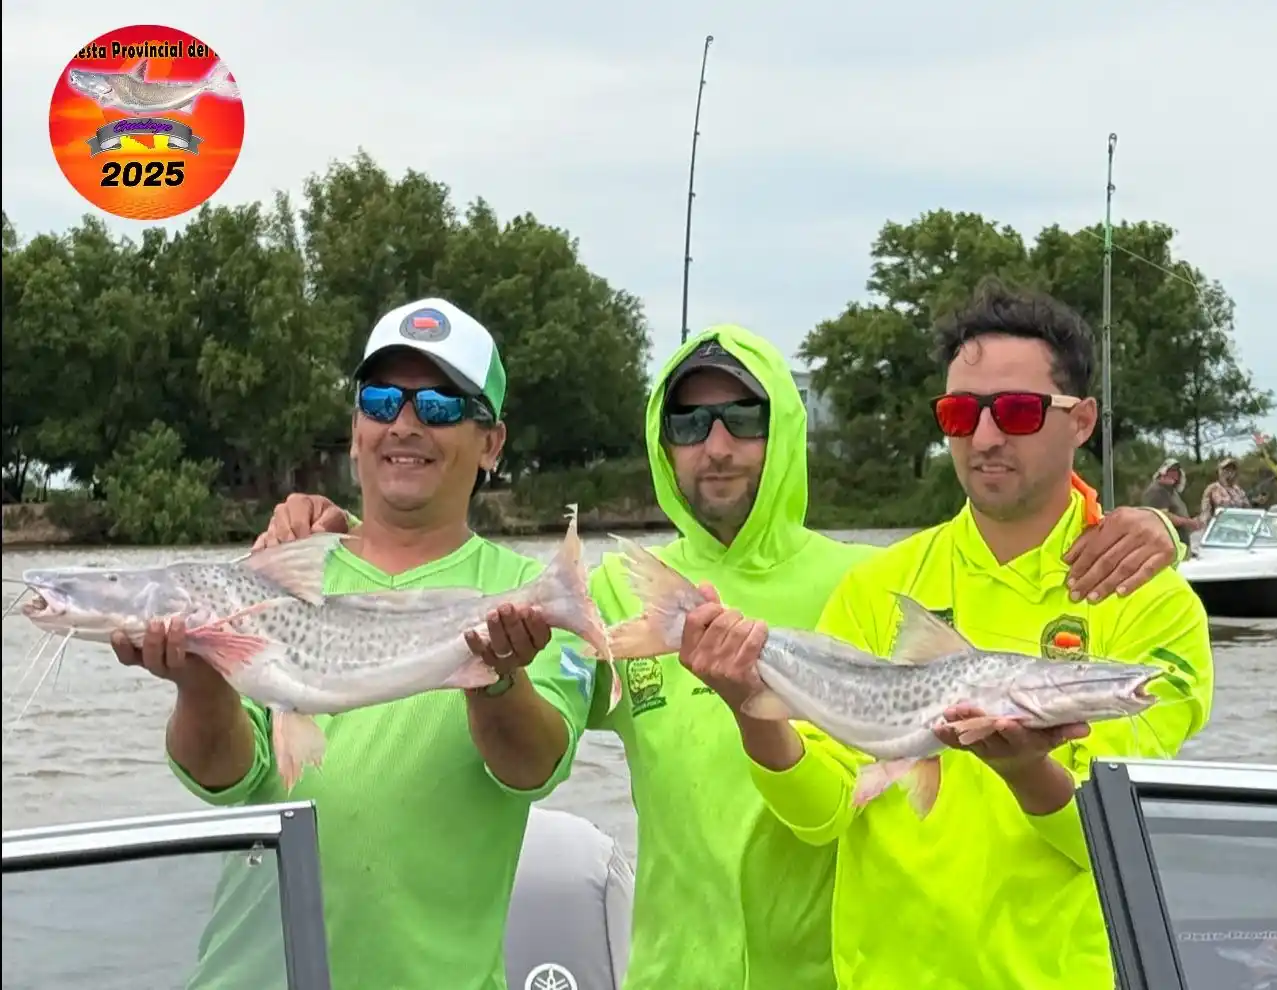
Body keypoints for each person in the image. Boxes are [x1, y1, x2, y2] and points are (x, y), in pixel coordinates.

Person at [264, 324, 1183, 990]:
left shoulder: (862, 585)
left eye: (743, 419)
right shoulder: (614, 592)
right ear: (662, 444)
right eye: (688, 425)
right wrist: (335, 544)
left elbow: (990, 584)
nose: (716, 447)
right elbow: (525, 745)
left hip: (837, 973)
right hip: (671, 974)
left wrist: (1145, 527)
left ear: (781, 431)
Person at [677, 279, 1214, 990]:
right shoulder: (882, 584)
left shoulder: (1152, 600)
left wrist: (1026, 767)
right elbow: (825, 813)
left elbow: (1116, 844)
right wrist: (748, 706)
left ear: (1081, 420)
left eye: (1019, 411)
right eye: (962, 413)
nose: (985, 437)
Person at [111, 298, 598, 990]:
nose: (403, 424)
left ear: (492, 443)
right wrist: (199, 679)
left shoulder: (528, 592)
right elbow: (229, 779)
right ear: (354, 430)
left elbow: (533, 766)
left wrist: (497, 677)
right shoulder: (276, 565)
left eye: (439, 406)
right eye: (380, 400)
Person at [1142, 456, 1202, 546]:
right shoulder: (1157, 490)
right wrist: (1188, 522)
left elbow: (1178, 513)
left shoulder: (1171, 491)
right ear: (1163, 472)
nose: (1173, 475)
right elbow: (1163, 516)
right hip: (1165, 545)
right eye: (1170, 471)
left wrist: (1193, 523)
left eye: (1176, 472)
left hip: (1179, 543)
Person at [1200, 455, 1251, 523]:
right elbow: (1205, 513)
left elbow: (1248, 509)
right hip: (1220, 526)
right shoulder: (1211, 489)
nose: (1229, 472)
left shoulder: (1238, 490)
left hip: (1239, 525)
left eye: (1232, 469)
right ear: (1219, 471)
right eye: (1226, 469)